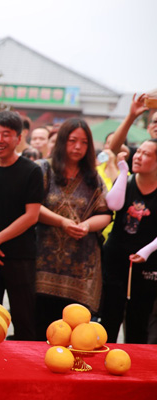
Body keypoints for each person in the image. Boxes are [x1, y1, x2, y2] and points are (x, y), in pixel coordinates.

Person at [34, 118, 111, 339]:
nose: (78, 147)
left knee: (77, 335)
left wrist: (87, 225)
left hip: (81, 265)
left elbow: (105, 214)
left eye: (84, 142)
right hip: (44, 263)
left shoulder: (92, 177)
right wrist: (61, 221)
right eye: (72, 141)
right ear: (61, 142)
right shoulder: (43, 169)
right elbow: (31, 208)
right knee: (42, 329)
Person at [0, 111, 43, 340]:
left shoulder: (32, 171)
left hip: (19, 256)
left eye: (6, 134)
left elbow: (31, 215)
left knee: (24, 319)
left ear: (18, 138)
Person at [101, 93, 157, 344]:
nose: (138, 156)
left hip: (147, 264)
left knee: (138, 321)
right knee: (109, 318)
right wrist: (133, 114)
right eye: (138, 152)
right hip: (115, 257)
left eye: (146, 154)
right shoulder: (126, 179)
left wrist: (146, 251)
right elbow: (113, 148)